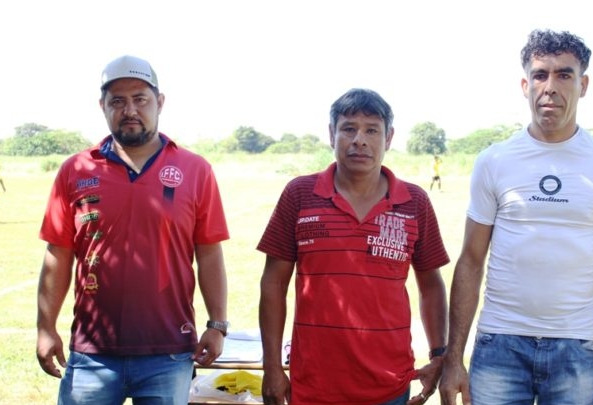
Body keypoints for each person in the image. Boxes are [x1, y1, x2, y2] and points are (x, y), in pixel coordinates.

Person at [439, 29, 593, 405]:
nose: (550, 87)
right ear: (524, 85)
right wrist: (453, 360)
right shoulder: (494, 161)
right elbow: (470, 260)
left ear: (583, 85)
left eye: (564, 75)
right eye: (540, 75)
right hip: (499, 345)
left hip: (577, 349)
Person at [36, 55, 230, 405]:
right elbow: (58, 255)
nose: (129, 110)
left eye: (140, 99)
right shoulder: (76, 169)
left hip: (169, 352)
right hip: (92, 353)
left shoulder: (195, 169)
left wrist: (217, 325)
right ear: (103, 107)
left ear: (160, 102)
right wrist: (45, 327)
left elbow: (209, 253)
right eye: (117, 101)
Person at [258, 88, 450, 405]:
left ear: (388, 138)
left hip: (390, 385)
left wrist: (439, 353)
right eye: (349, 128)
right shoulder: (299, 194)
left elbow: (430, 284)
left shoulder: (414, 202)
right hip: (314, 384)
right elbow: (273, 283)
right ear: (331, 134)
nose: (359, 140)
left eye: (372, 130)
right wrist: (272, 368)